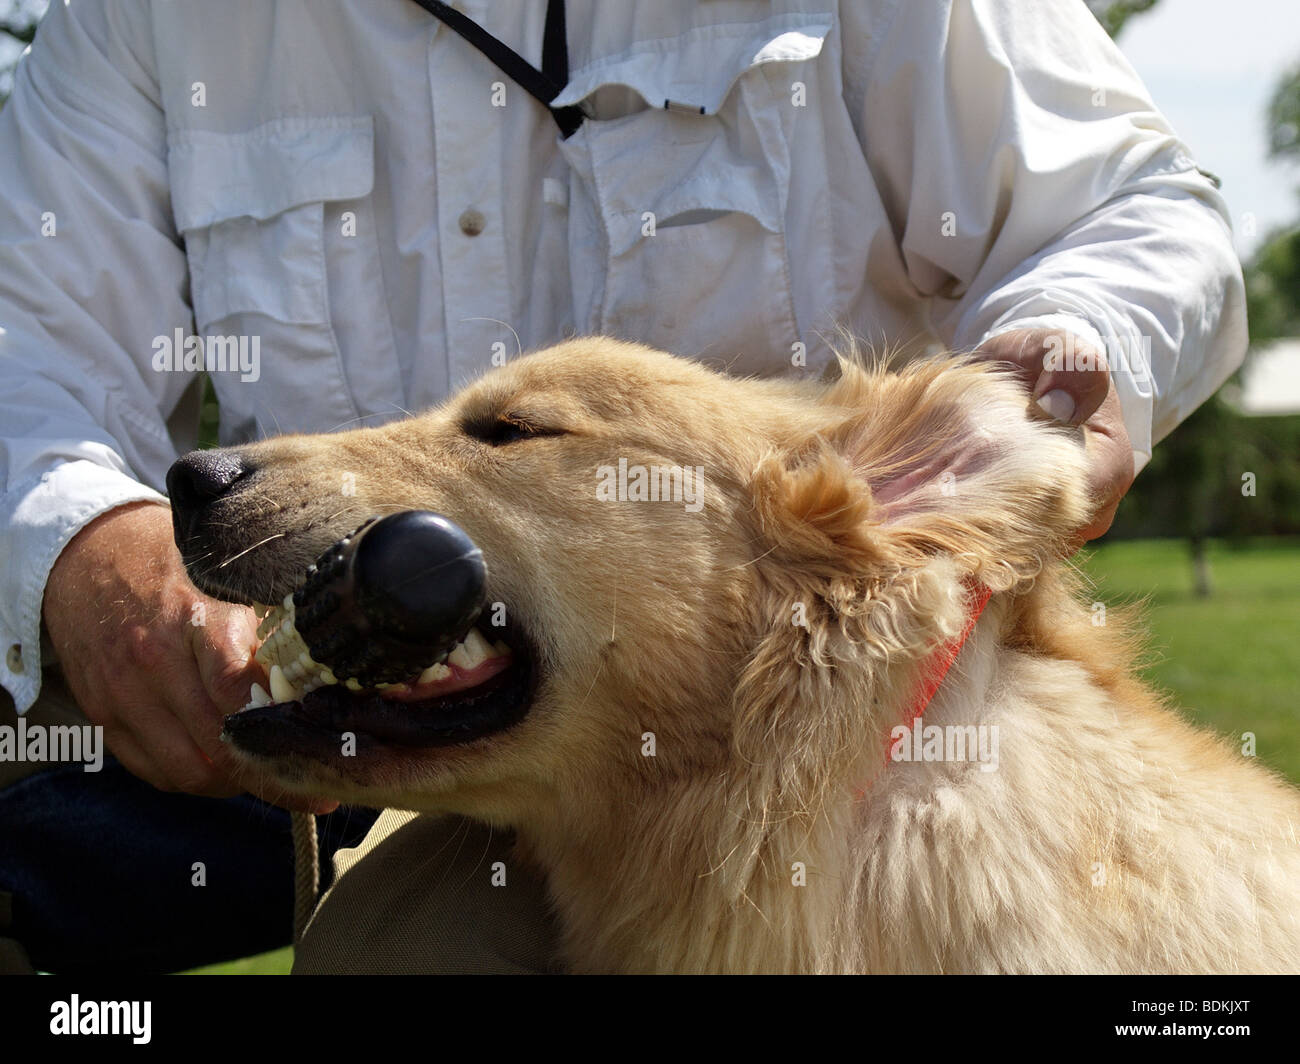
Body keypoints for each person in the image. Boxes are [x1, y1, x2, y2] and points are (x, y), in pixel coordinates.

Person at [0, 0, 1246, 973]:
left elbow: (1134, 214)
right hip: (328, 679)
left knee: (415, 956)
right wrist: (83, 540)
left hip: (834, 720)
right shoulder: (144, 22)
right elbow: (28, 345)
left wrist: (1056, 359)